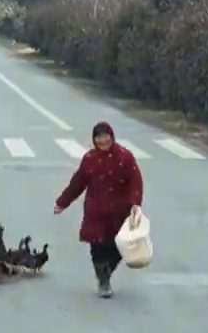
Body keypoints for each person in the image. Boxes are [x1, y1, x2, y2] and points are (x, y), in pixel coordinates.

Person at [53, 121, 143, 297]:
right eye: (98, 137)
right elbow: (77, 183)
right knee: (97, 248)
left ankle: (106, 271)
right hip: (96, 211)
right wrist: (62, 203)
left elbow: (135, 182)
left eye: (105, 136)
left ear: (112, 137)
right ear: (94, 139)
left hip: (120, 211)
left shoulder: (124, 157)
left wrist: (135, 203)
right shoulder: (90, 159)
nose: (103, 141)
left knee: (120, 246)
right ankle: (103, 281)